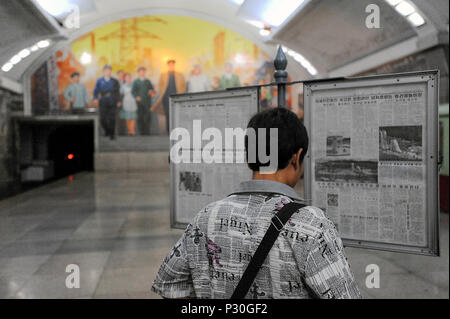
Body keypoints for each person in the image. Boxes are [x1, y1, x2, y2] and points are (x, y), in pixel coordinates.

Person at [152, 107, 361, 299]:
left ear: (250, 157)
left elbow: (170, 283)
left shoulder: (207, 216)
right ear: (296, 157)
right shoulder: (311, 223)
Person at [151, 59, 186, 133]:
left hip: (177, 97)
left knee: (176, 113)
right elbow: (160, 85)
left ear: (174, 65)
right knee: (168, 113)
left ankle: (176, 130)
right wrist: (161, 94)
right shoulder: (163, 75)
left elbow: (184, 85)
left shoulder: (180, 75)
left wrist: (181, 94)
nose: (171, 66)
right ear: (168, 66)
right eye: (170, 65)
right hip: (166, 97)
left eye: (172, 64)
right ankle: (169, 130)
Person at [93, 64, 121, 140]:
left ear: (111, 71)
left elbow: (117, 92)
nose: (108, 72)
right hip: (103, 101)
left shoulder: (115, 81)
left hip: (112, 100)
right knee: (102, 118)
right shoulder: (99, 81)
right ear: (104, 71)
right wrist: (95, 98)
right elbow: (96, 91)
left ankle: (112, 134)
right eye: (106, 70)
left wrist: (118, 101)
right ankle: (107, 130)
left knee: (112, 118)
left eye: (109, 70)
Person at [132, 66, 155, 135]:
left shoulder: (148, 81)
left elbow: (152, 90)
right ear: (138, 73)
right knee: (140, 116)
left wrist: (152, 92)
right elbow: (133, 91)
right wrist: (136, 97)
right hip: (139, 102)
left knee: (147, 116)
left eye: (143, 71)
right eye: (140, 71)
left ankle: (147, 131)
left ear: (145, 72)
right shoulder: (136, 82)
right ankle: (141, 132)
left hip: (147, 102)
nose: (142, 73)